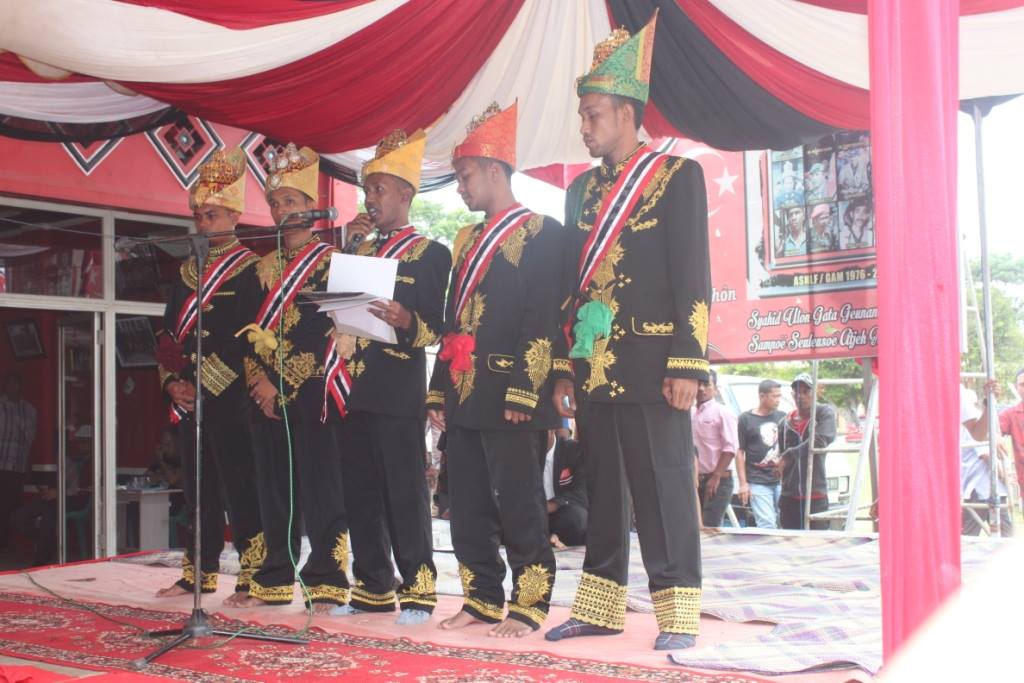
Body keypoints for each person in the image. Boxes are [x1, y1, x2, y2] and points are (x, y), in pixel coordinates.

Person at [545, 13, 711, 652]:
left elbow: (693, 277)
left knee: (664, 485)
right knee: (605, 489)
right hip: (594, 363)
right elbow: (570, 286)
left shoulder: (677, 177)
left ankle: (678, 611)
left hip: (655, 360)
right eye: (582, 116)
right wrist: (564, 366)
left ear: (625, 112)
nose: (584, 127)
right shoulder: (579, 192)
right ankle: (600, 607)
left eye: (593, 115)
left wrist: (687, 362)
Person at [427, 101, 562, 638]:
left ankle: (529, 604)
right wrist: (437, 392)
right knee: (467, 504)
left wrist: (526, 391)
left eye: (464, 176)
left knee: (520, 502)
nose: (459, 187)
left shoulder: (543, 231)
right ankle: (482, 597)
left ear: (493, 169)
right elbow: (451, 322)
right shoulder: (466, 239)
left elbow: (543, 316)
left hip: (511, 391)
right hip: (463, 389)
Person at [333, 129, 451, 624]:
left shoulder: (431, 253)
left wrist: (406, 320)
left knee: (404, 492)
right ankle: (372, 586)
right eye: (367, 189)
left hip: (397, 389)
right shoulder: (357, 248)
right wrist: (348, 248)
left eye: (379, 189)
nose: (370, 198)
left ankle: (420, 590)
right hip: (352, 387)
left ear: (405, 194)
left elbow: (437, 328)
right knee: (359, 490)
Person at [236, 143, 351, 613]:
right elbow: (245, 334)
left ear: (311, 206)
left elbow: (328, 335)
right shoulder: (258, 270)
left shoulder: (335, 264)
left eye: (290, 201)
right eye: (275, 203)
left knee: (323, 490)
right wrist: (260, 385)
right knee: (273, 491)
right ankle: (275, 577)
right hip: (264, 398)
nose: (282, 210)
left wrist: (282, 385)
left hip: (313, 395)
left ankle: (326, 580)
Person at [154, 148, 266, 605]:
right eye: (198, 216)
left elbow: (250, 339)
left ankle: (253, 575)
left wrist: (202, 385)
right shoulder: (186, 272)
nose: (203, 223)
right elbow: (167, 335)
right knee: (197, 491)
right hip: (190, 398)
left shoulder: (251, 270)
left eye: (212, 215)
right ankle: (198, 573)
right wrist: (173, 384)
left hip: (232, 398)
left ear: (235, 216)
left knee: (240, 486)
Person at [778, 373, 836, 530]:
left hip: (815, 494)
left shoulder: (824, 413)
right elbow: (781, 457)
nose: (801, 396)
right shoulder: (784, 423)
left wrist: (789, 455)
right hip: (789, 496)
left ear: (814, 392)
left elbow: (820, 440)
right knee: (790, 541)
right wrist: (777, 465)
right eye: (797, 392)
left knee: (817, 541)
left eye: (806, 391)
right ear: (792, 394)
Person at [961, 381, 1012, 536]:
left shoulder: (979, 422)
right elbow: (985, 455)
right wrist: (1004, 477)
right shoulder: (974, 424)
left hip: (986, 489)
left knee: (1002, 535)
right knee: (972, 536)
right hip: (981, 488)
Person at [736, 380, 786, 529]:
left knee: (786, 522)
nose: (777, 400)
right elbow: (739, 452)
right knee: (766, 524)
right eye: (774, 396)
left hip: (781, 481)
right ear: (762, 396)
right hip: (757, 481)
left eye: (779, 396)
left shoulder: (783, 417)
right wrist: (743, 484)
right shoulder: (745, 419)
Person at [693, 370, 738, 528]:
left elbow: (730, 448)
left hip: (719, 480)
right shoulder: (689, 413)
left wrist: (716, 477)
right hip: (696, 480)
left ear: (715, 389)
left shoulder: (723, 413)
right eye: (698, 384)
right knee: (694, 527)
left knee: (710, 526)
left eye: (706, 384)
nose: (701, 389)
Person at [0, 372, 37, 552]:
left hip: (18, 466)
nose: (10, 386)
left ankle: (8, 543)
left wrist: (28, 466)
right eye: (8, 383)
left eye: (14, 383)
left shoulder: (29, 410)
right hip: (1, 464)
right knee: (2, 504)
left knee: (13, 506)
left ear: (20, 386)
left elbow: (31, 438)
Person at [543, 429, 588, 548]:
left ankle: (551, 537)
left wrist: (552, 505)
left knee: (577, 519)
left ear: (551, 430)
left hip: (562, 514)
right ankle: (548, 538)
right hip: (533, 515)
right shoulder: (524, 455)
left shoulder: (573, 451)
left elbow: (582, 493)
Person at [998, 369, 1024, 493]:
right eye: (1022, 385)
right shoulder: (1010, 415)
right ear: (1016, 387)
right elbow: (992, 430)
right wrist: (996, 436)